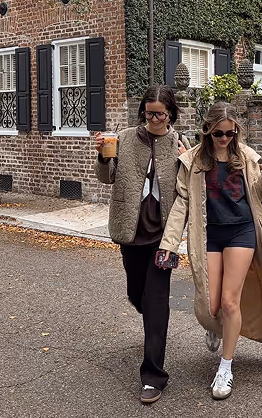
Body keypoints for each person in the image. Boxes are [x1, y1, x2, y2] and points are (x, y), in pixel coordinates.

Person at [159, 101, 262, 400]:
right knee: (210, 305)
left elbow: (259, 195)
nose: (225, 139)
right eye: (218, 134)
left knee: (229, 302)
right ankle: (216, 328)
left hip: (242, 231)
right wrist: (169, 244)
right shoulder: (193, 162)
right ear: (208, 131)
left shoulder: (248, 158)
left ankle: (225, 368)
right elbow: (182, 204)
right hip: (210, 235)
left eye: (230, 133)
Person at [95, 85, 190, 404]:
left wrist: (183, 163)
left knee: (157, 301)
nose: (154, 119)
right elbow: (106, 177)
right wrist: (102, 153)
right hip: (130, 231)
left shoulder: (180, 143)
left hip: (164, 236)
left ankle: (153, 376)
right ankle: (149, 320)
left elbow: (188, 187)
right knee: (136, 293)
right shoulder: (122, 138)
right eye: (149, 113)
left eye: (160, 114)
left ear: (171, 114)